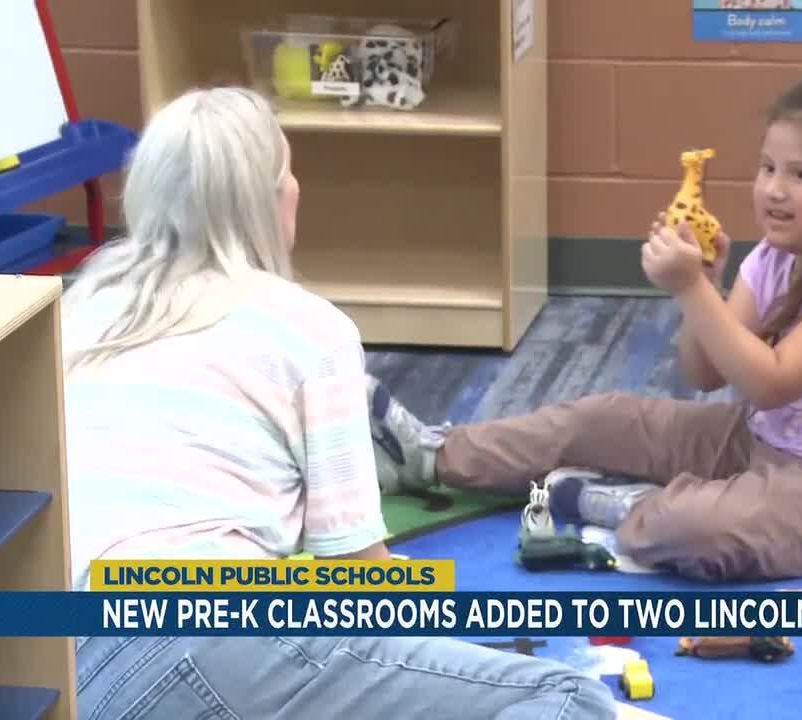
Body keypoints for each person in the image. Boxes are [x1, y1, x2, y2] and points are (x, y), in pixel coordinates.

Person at [60, 86, 617, 719]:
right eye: (289, 170)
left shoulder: (76, 309)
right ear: (269, 200)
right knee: (568, 698)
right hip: (210, 629)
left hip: (66, 664)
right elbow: (357, 576)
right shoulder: (305, 326)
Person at [368, 74, 802, 584]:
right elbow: (704, 373)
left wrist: (690, 288)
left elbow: (773, 382)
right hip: (760, 439)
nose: (773, 189)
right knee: (603, 417)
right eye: (767, 168)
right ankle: (431, 456)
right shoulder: (773, 255)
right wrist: (707, 288)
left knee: (692, 530)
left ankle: (627, 505)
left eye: (801, 174)